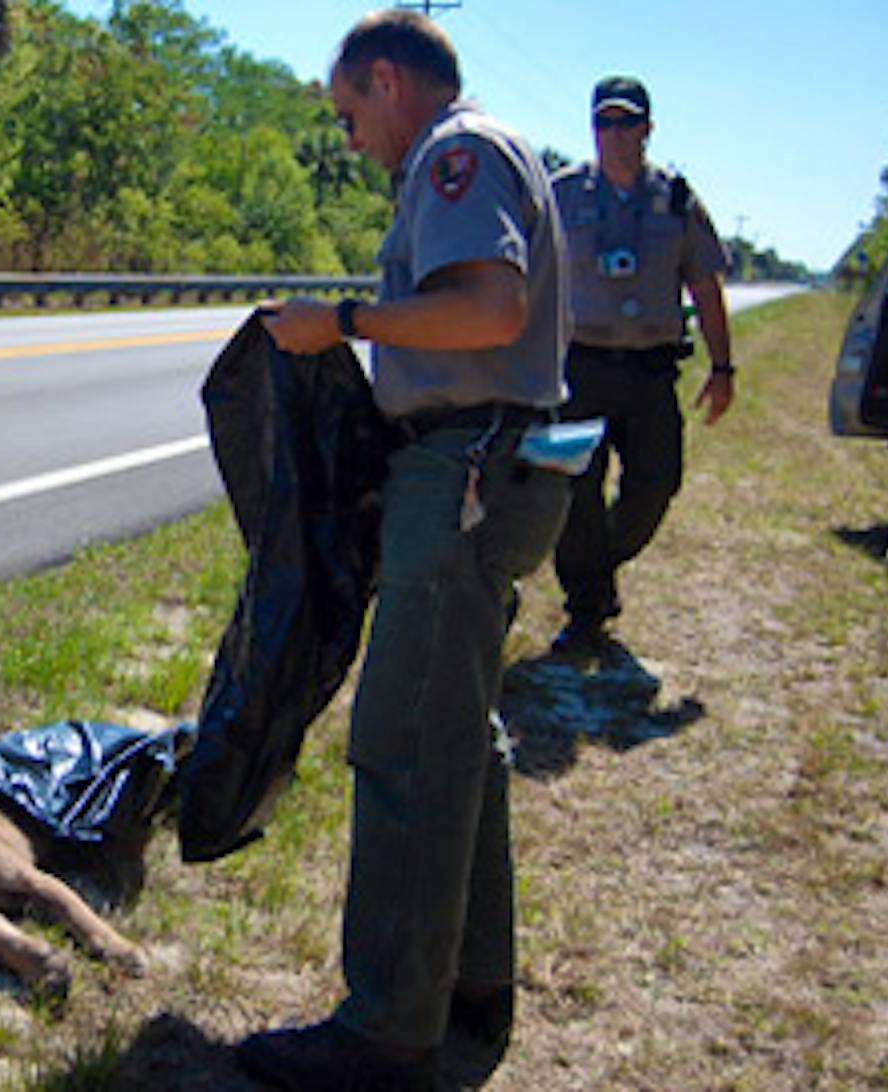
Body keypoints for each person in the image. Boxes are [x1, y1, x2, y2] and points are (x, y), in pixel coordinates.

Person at [239, 10, 571, 1090]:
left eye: (346, 113)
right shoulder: (481, 152)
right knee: (457, 741)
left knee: (402, 746)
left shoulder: (453, 156)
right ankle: (469, 984)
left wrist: (342, 320)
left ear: (388, 81)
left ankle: (385, 1031)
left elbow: (486, 306)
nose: (347, 139)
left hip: (465, 470)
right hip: (490, 468)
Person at [549, 76, 735, 655]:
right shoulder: (560, 195)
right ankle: (587, 607)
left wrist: (724, 368)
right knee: (572, 490)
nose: (614, 134)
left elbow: (706, 288)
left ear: (648, 130)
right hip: (578, 368)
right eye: (603, 122)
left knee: (657, 485)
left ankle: (597, 563)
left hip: (651, 373)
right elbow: (527, 280)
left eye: (626, 122)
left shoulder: (676, 200)